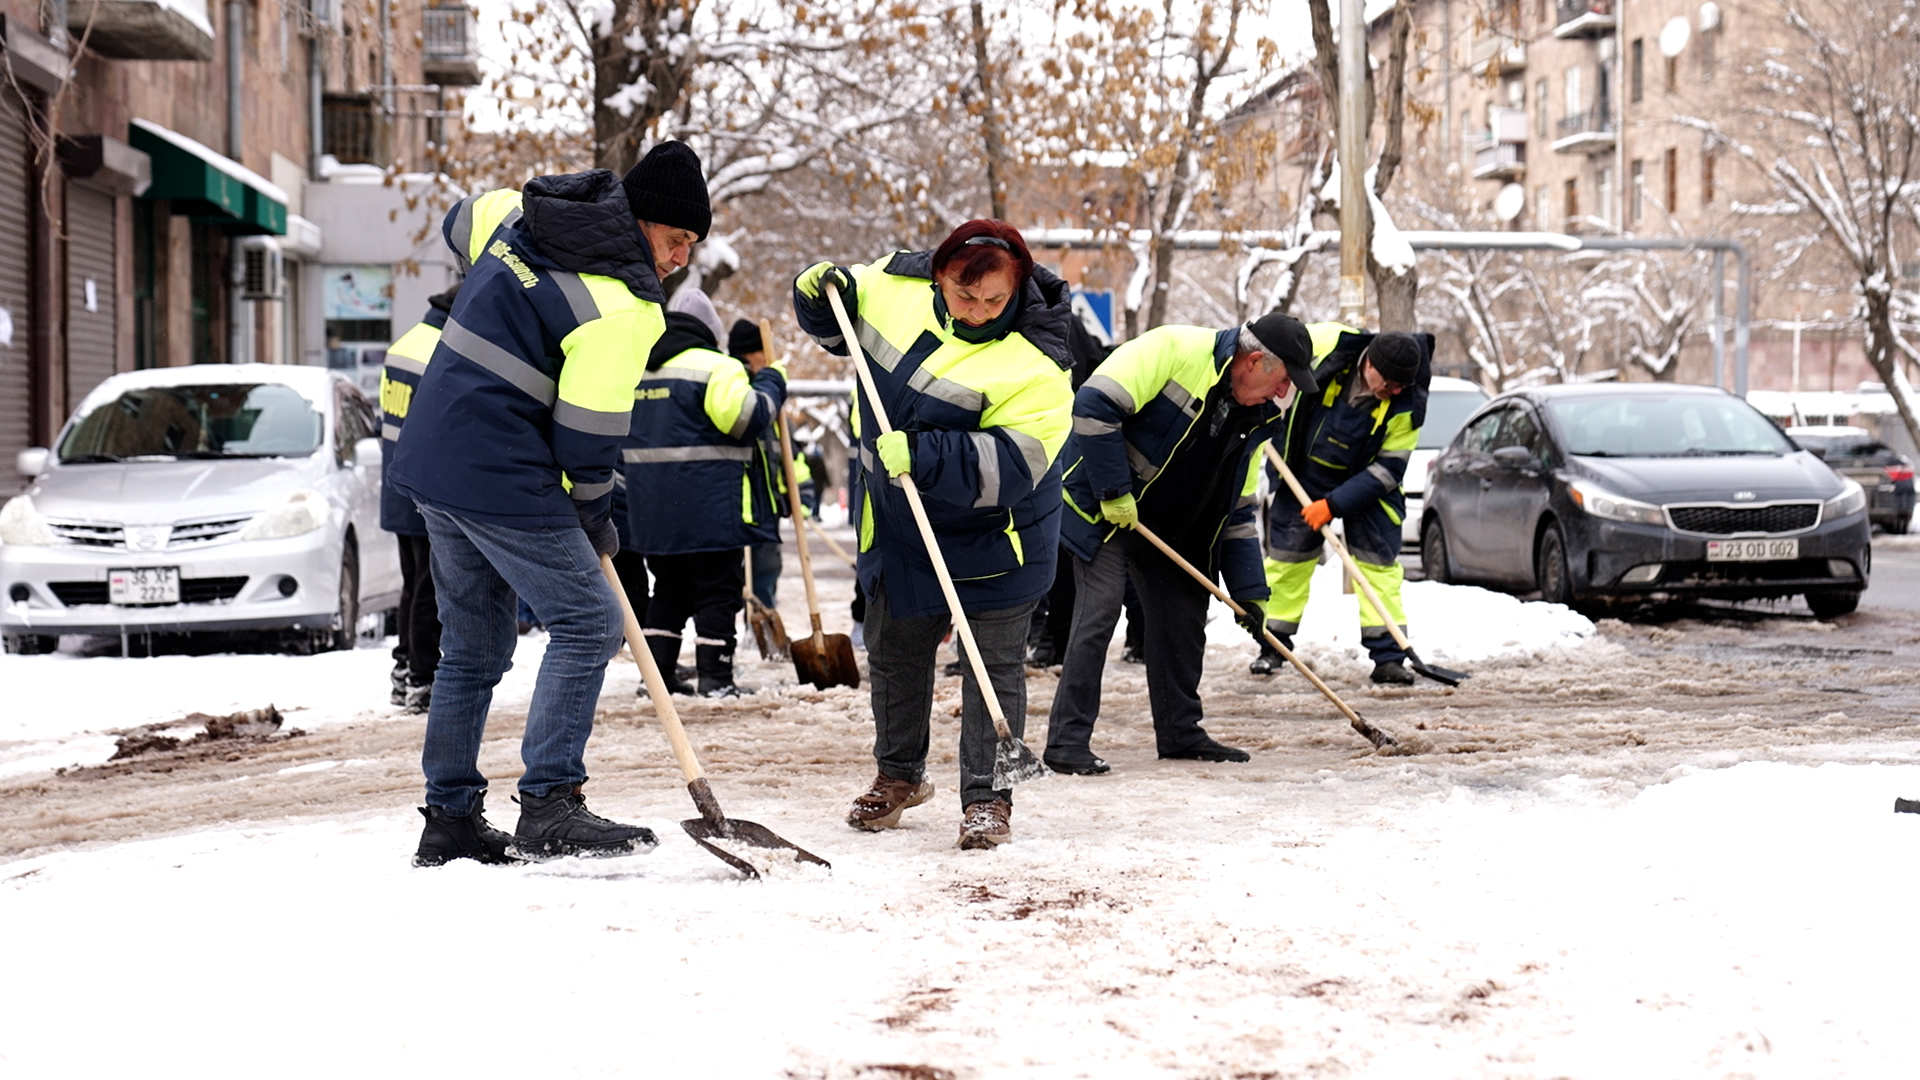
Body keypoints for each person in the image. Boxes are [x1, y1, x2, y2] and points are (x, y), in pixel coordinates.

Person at [390, 140, 710, 867]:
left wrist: (502, 291)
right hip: (500, 472)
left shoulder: (519, 216)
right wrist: (596, 514)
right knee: (590, 621)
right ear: (639, 220)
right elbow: (588, 436)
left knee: (472, 646)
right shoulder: (624, 308)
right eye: (675, 238)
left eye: (691, 244)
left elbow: (458, 217)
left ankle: (450, 819)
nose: (680, 258)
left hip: (434, 459)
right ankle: (550, 804)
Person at [792, 220, 1074, 850]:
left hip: (999, 535)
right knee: (895, 653)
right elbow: (836, 322)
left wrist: (923, 455)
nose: (978, 312)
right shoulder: (894, 285)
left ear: (1017, 288)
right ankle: (899, 775)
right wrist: (814, 294)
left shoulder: (1039, 362)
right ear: (937, 275)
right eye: (964, 295)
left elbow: (1013, 464)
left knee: (991, 668)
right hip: (902, 528)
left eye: (995, 300)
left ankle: (987, 798)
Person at [1044, 313, 1319, 774]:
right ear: (1254, 361)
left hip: (1171, 525)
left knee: (1184, 615)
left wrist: (1250, 593)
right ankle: (1066, 742)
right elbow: (1093, 405)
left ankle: (1180, 732)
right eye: (1283, 380)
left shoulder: (1255, 420)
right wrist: (1113, 491)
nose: (1282, 393)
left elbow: (1236, 511)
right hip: (1103, 507)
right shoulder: (1173, 349)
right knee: (1100, 612)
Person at [625, 292, 788, 697]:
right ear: (710, 331)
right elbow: (745, 418)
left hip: (652, 510)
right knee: (719, 591)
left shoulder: (637, 370)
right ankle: (715, 678)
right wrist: (771, 381)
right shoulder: (717, 367)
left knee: (668, 591)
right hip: (710, 508)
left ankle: (657, 677)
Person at [1258, 327, 1428, 685]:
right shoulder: (1329, 351)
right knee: (1287, 562)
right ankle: (1272, 645)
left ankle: (1389, 657)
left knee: (1378, 568)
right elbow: (1275, 357)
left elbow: (1389, 469)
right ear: (1370, 364)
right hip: (1303, 473)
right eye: (1390, 383)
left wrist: (1332, 505)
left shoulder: (1407, 403)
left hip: (1369, 485)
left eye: (1402, 385)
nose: (1396, 391)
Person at [377, 284, 458, 714]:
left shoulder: (405, 344)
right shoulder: (443, 351)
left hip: (396, 484)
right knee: (429, 586)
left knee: (413, 583)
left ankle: (405, 667)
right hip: (426, 486)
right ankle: (423, 677)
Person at [727, 317, 813, 610]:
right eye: (763, 354)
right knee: (734, 579)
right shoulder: (735, 393)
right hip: (739, 506)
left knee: (766, 571)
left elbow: (790, 456)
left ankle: (762, 623)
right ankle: (744, 624)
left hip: (768, 506)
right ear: (748, 355)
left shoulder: (772, 402)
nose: (768, 361)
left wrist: (801, 494)